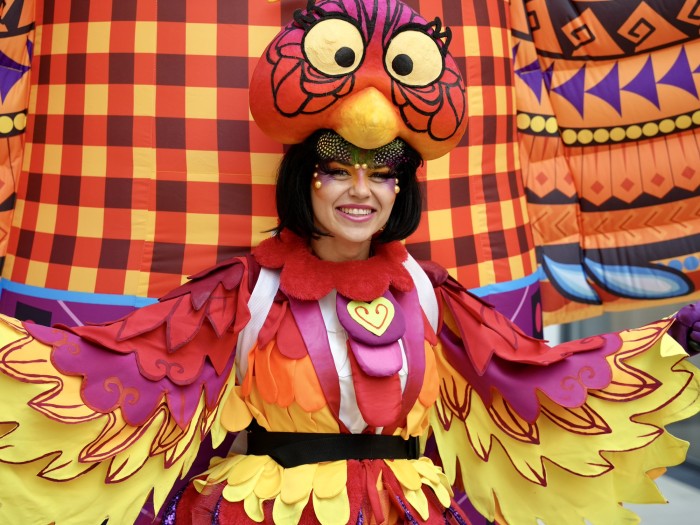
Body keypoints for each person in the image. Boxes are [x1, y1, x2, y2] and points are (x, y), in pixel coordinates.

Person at [1, 1, 699, 524]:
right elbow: (130, 368)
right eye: (337, 169)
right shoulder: (247, 290)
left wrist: (667, 341)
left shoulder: (428, 291)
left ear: (401, 189)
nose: (360, 191)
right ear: (304, 180)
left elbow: (526, 375)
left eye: (382, 173)